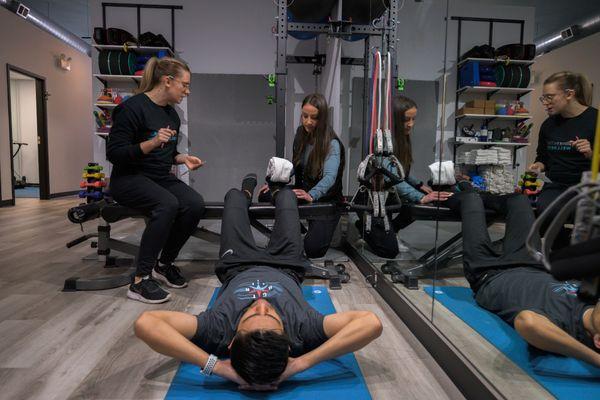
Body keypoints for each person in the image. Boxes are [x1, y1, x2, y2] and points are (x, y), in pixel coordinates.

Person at [133, 177, 383, 389]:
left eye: (252, 315)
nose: (262, 303)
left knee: (233, 198)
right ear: (286, 343)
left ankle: (247, 190)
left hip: (238, 263)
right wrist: (300, 364)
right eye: (272, 317)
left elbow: (147, 323)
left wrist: (217, 366)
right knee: (286, 197)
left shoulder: (218, 330)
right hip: (287, 264)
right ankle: (274, 188)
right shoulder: (301, 331)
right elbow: (370, 323)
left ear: (231, 343)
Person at [456, 191, 600, 367]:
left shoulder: (564, 327)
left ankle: (460, 188)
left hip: (488, 273)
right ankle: (482, 193)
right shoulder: (591, 297)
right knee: (519, 199)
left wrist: (594, 359)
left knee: (471, 199)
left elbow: (528, 322)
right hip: (531, 262)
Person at [106, 57, 206, 304]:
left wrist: (183, 158)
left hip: (158, 177)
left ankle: (163, 264)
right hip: (129, 178)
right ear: (167, 81)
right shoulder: (131, 109)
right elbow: (115, 153)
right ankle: (140, 281)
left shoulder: (170, 114)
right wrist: (151, 143)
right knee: (167, 204)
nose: (187, 90)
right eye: (184, 84)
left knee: (194, 204)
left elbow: (166, 152)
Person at [356, 95, 453, 258]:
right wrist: (420, 197)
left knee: (424, 196)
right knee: (389, 251)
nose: (411, 124)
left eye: (413, 119)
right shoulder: (382, 142)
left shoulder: (402, 138)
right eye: (406, 120)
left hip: (390, 196)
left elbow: (402, 170)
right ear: (394, 120)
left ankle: (392, 229)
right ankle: (363, 226)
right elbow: (390, 177)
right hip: (372, 201)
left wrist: (419, 185)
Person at [260, 93, 345, 258]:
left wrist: (311, 195)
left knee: (313, 250)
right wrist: (274, 183)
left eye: (314, 118)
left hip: (324, 199)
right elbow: (295, 166)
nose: (308, 121)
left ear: (322, 118)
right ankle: (294, 228)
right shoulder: (301, 134)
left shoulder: (332, 143)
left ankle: (316, 228)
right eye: (305, 116)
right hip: (304, 190)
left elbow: (329, 178)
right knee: (265, 194)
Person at [528, 71, 597, 248]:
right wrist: (538, 166)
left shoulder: (595, 120)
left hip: (589, 186)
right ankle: (561, 254)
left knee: (584, 217)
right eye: (543, 98)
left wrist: (591, 153)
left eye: (550, 97)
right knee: (546, 213)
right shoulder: (549, 125)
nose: (546, 103)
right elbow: (543, 158)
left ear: (569, 94)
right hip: (557, 186)